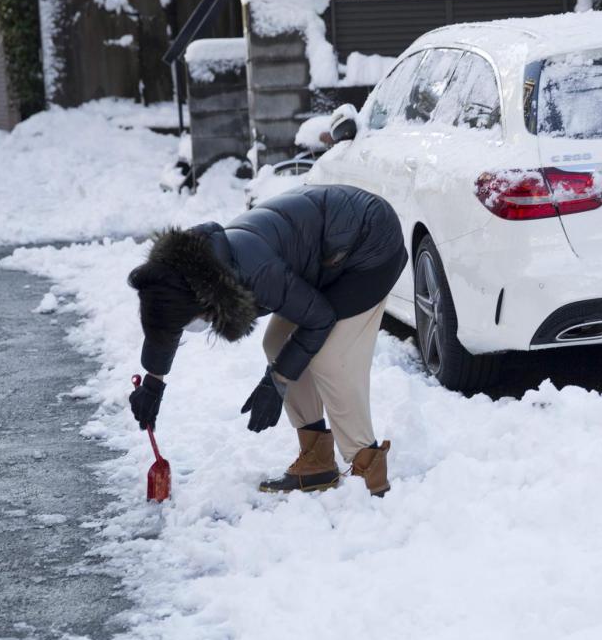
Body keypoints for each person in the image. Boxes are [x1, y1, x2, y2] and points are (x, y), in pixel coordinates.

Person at [125, 185, 407, 496]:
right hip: (325, 255)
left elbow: (320, 319)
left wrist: (277, 379)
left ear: (204, 301)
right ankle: (317, 458)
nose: (192, 325)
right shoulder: (186, 272)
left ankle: (368, 467)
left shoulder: (253, 271)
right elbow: (168, 317)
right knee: (277, 345)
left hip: (369, 243)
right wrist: (153, 382)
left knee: (331, 358)